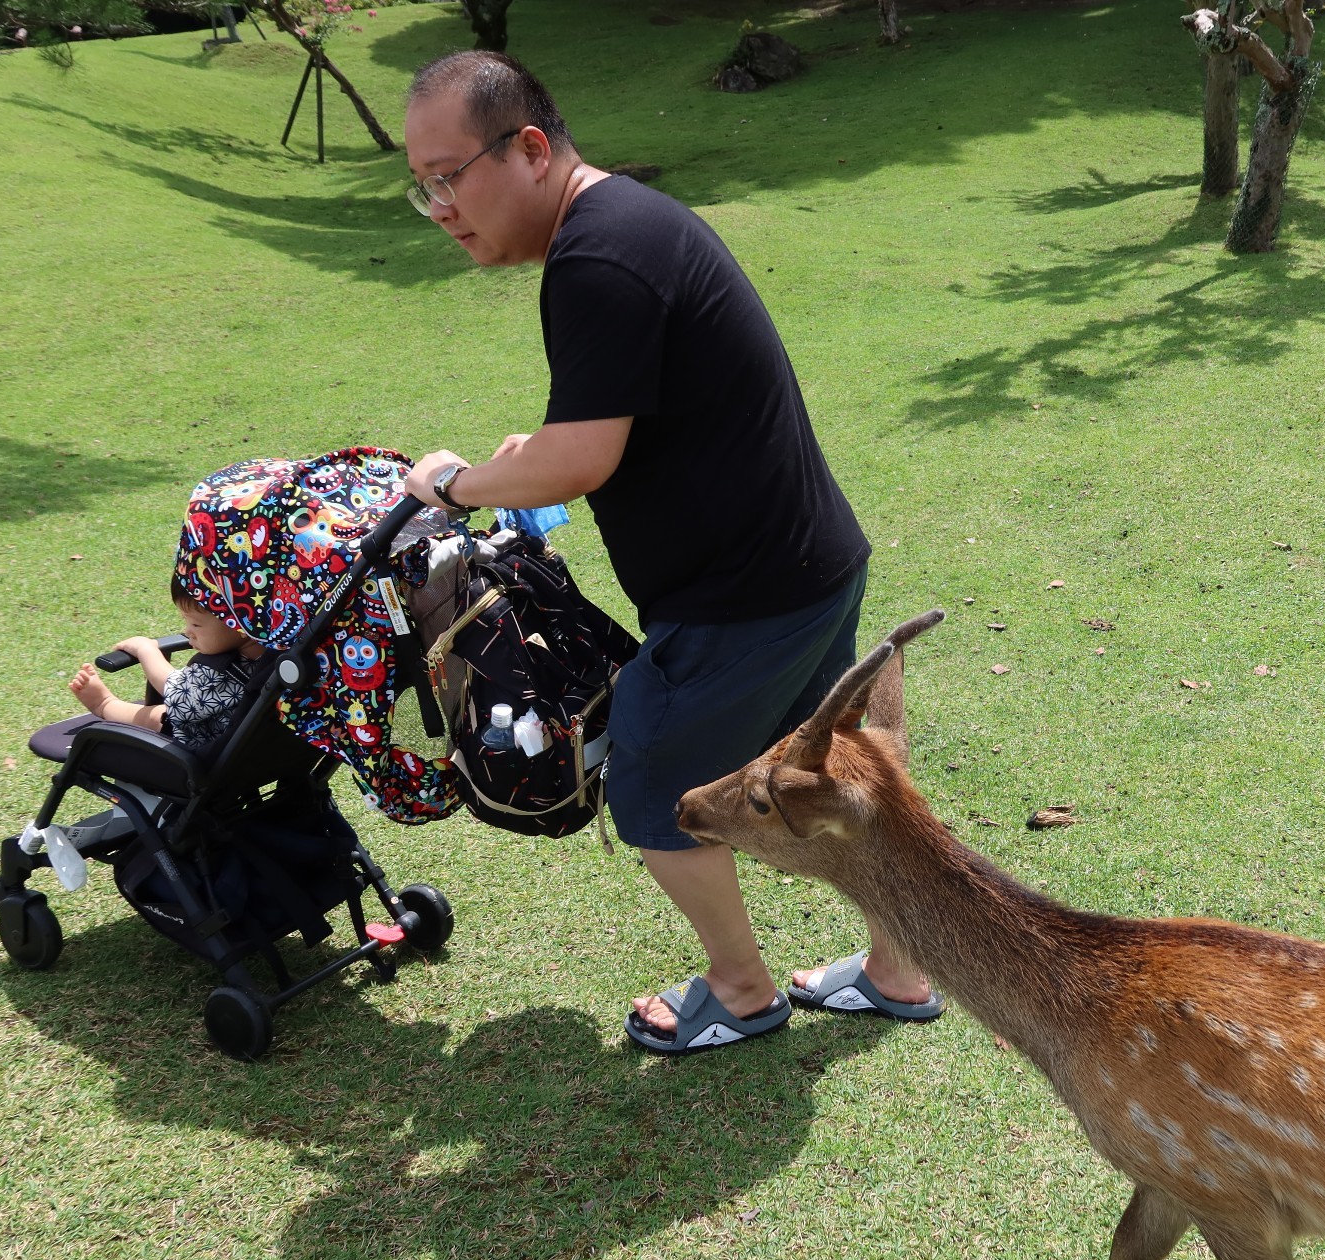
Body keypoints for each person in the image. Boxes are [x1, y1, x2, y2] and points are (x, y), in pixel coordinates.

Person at [399, 50, 942, 1054]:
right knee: (825, 779)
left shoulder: (595, 258)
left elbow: (581, 457)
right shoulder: (624, 225)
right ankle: (898, 970)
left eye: (449, 175)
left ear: (527, 149)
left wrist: (455, 483)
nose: (437, 205)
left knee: (653, 779)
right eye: (418, 185)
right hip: (806, 562)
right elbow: (616, 427)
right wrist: (533, 456)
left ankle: (739, 993)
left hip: (744, 597)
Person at [68, 584, 265, 753]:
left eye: (196, 624)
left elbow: (175, 690)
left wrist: (146, 649)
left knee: (159, 716)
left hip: (203, 745)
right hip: (255, 749)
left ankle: (104, 704)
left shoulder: (221, 672)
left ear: (242, 625)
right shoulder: (277, 657)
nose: (188, 631)